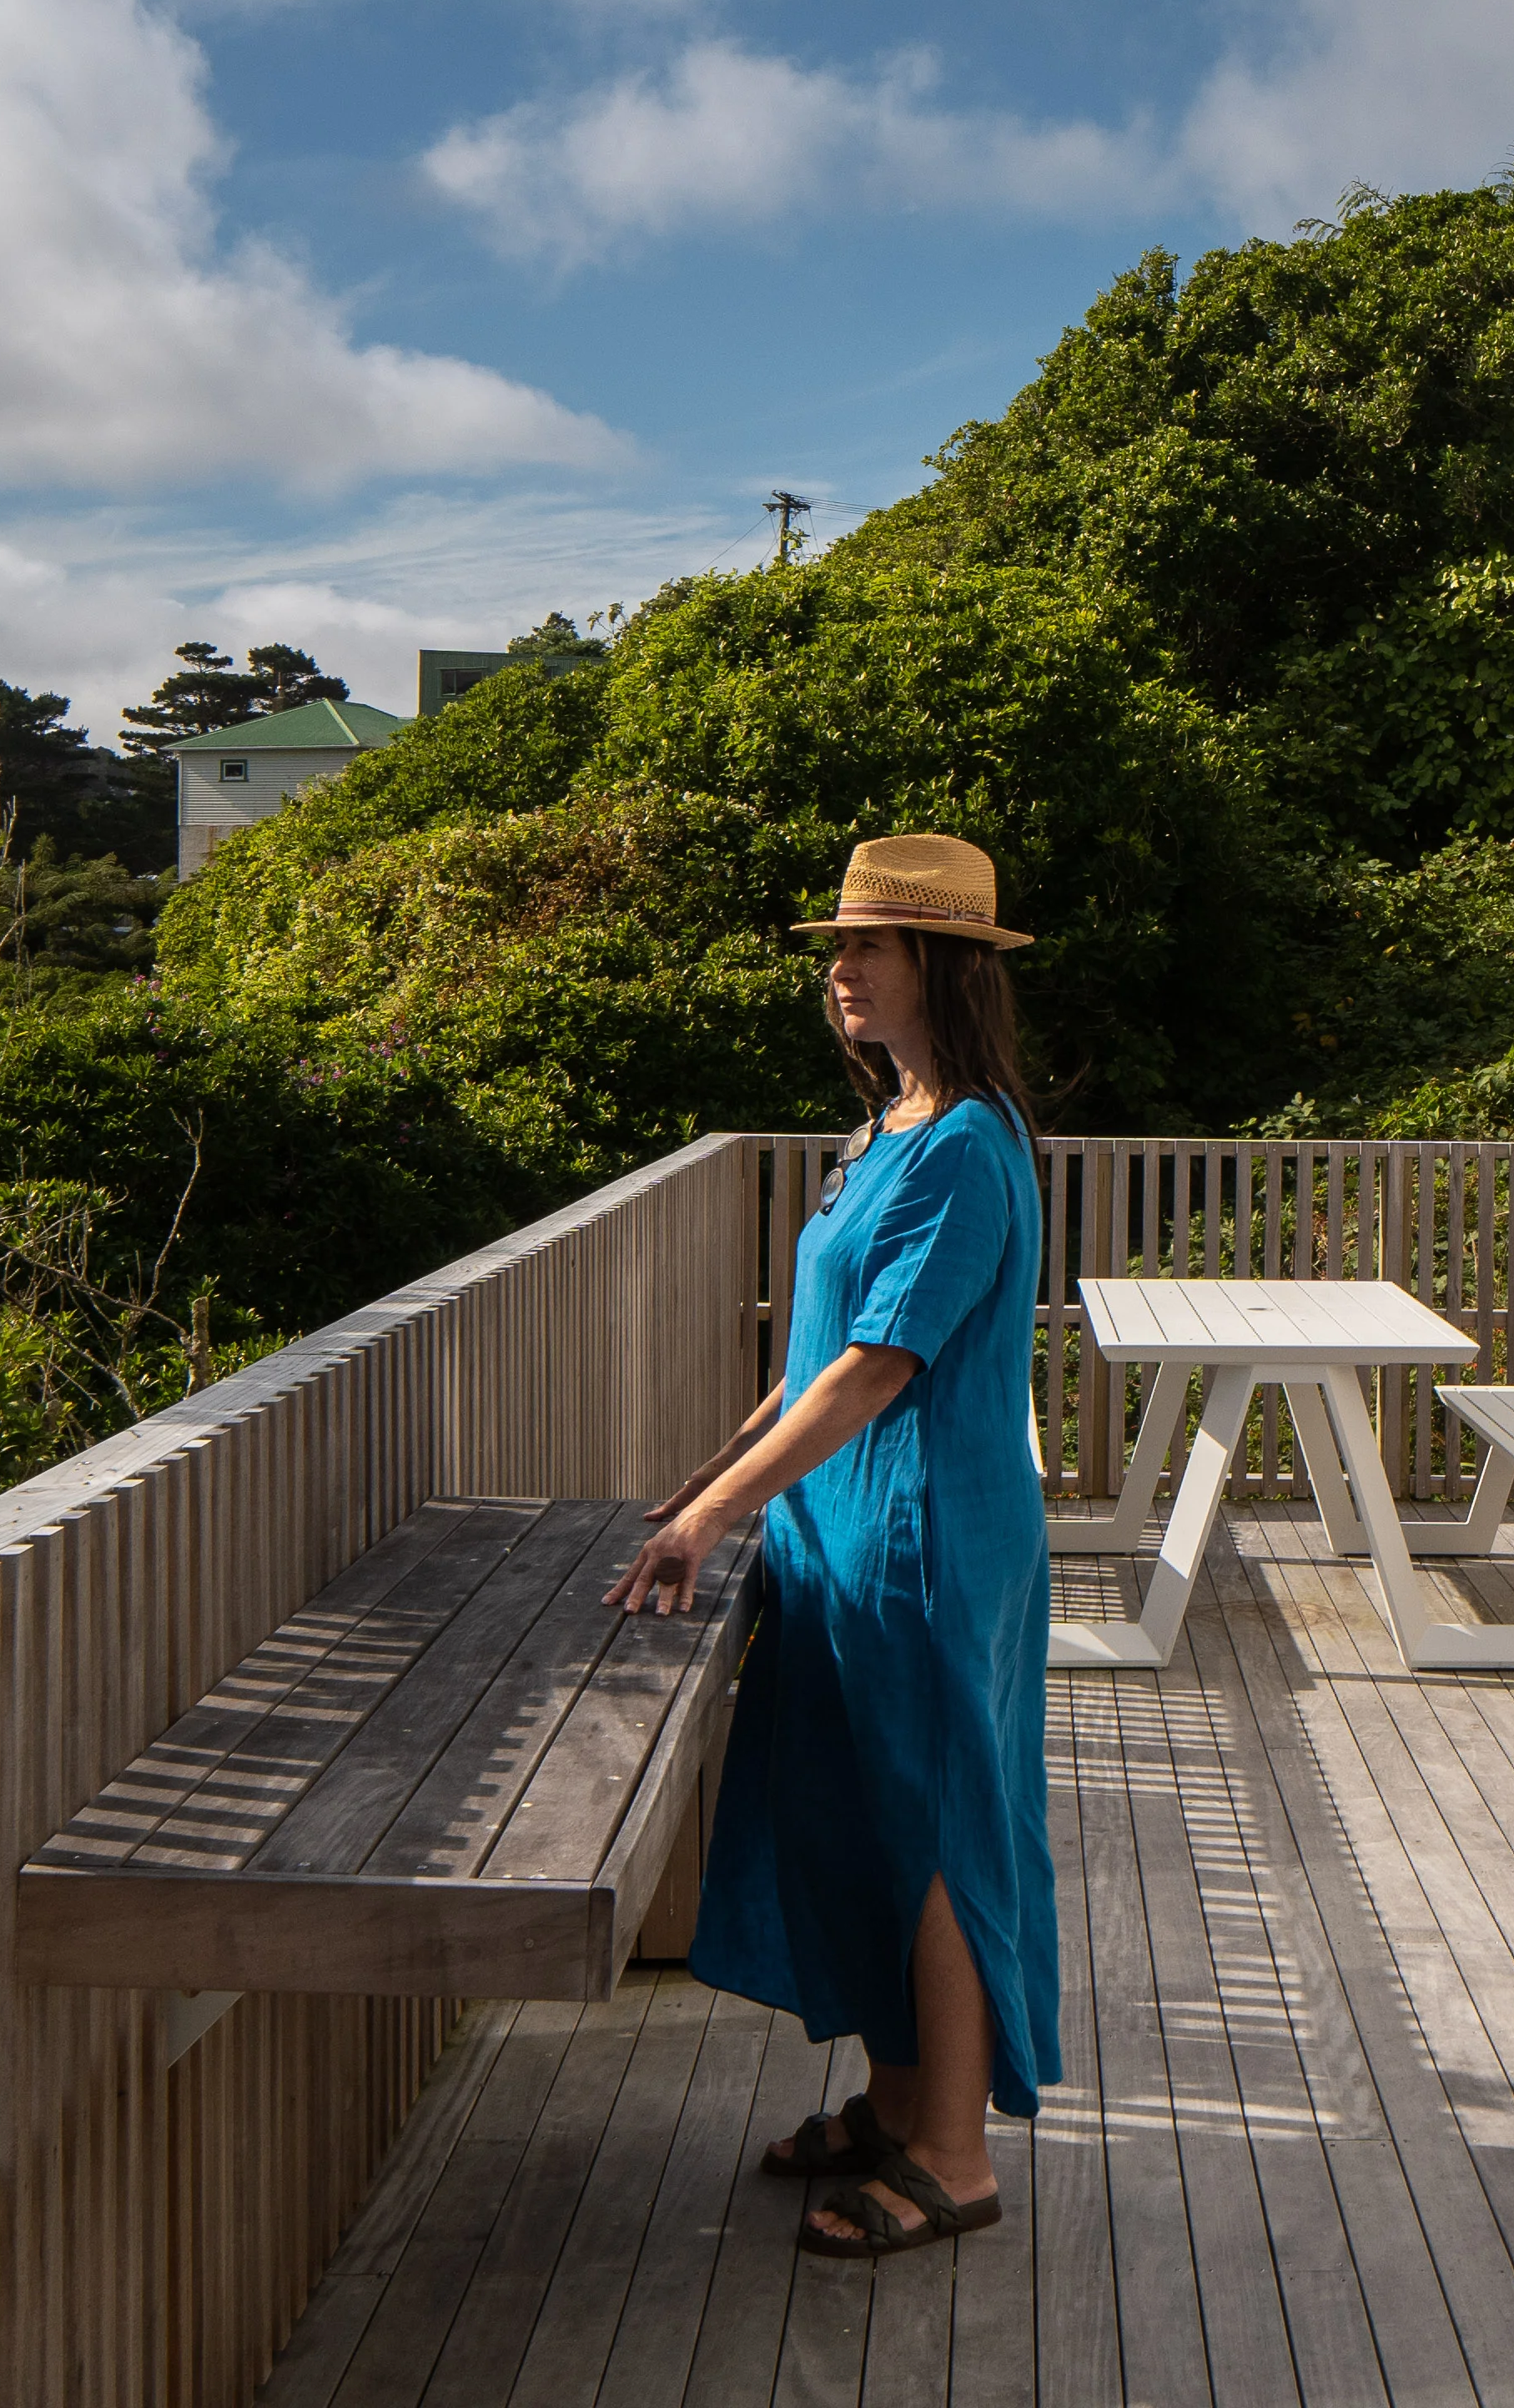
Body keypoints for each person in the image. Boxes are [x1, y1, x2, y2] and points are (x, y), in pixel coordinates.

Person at [606, 832, 1059, 2260]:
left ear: (947, 967)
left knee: (935, 1833)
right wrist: (723, 1472)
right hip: (841, 1531)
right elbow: (813, 1357)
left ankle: (953, 2155)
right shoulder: (884, 1133)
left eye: (870, 946)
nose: (842, 970)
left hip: (927, 1538)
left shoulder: (968, 1147)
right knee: (867, 1813)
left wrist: (712, 1514)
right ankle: (892, 2097)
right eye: (836, 948)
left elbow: (877, 1369)